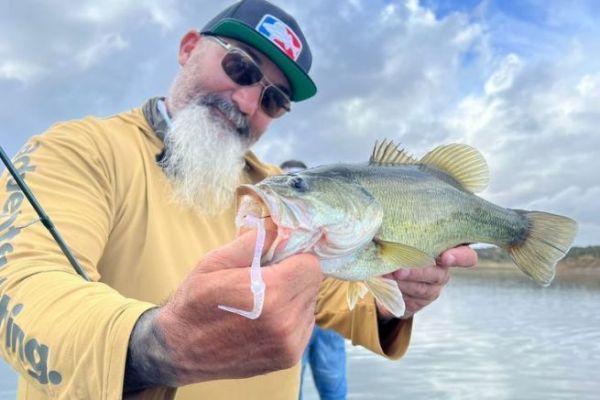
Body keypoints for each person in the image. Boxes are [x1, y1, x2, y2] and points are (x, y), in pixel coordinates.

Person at [0, 0, 477, 399]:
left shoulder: (280, 193)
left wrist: (398, 296)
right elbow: (22, 290)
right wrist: (159, 347)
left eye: (273, 100)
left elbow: (339, 295)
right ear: (189, 48)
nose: (248, 101)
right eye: (240, 67)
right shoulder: (79, 150)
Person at [280, 160, 348, 400]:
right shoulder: (275, 227)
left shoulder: (331, 220)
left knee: (334, 389)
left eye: (299, 182)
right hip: (291, 322)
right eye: (286, 180)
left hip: (329, 322)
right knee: (289, 390)